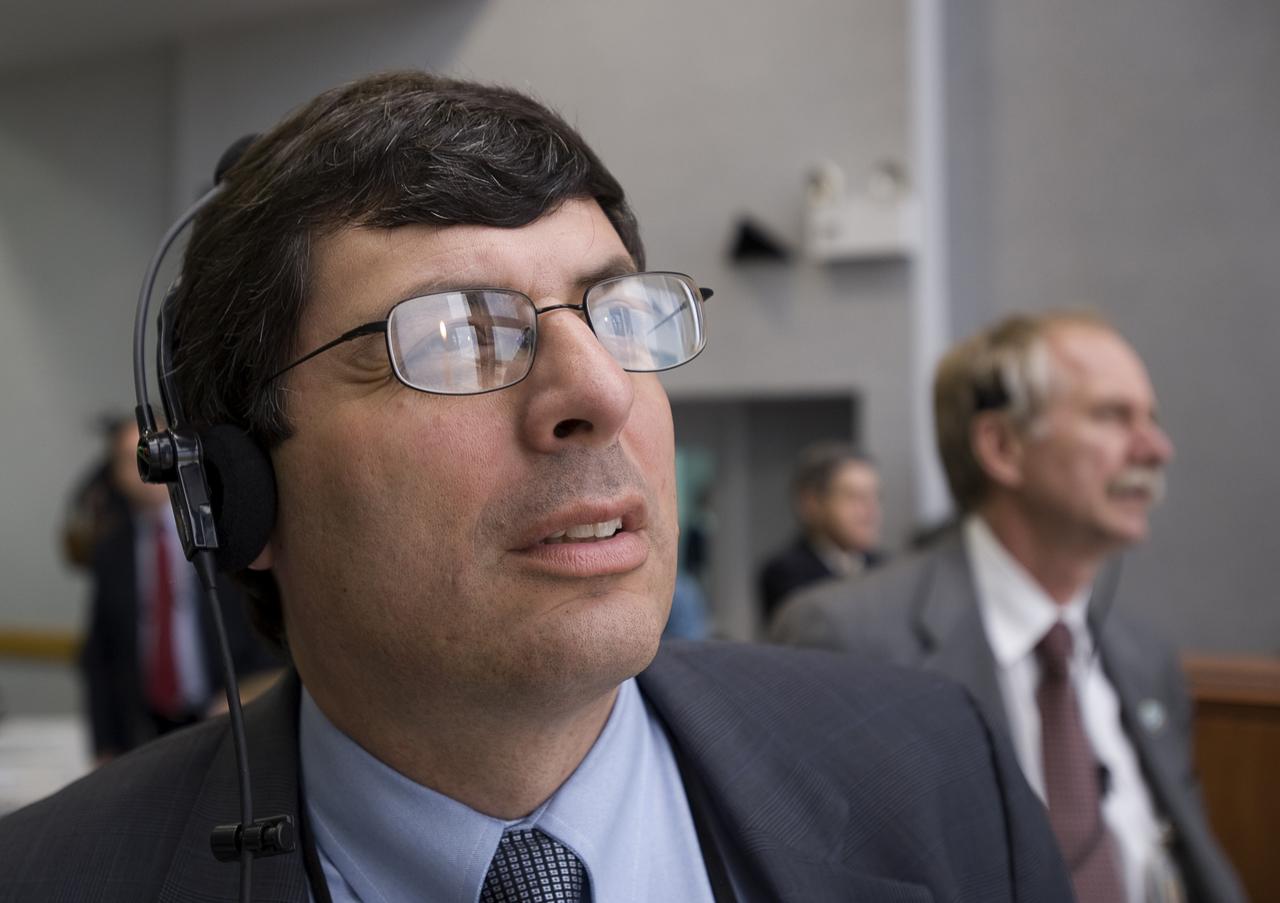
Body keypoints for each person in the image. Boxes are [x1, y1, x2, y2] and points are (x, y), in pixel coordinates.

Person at [0, 72, 1073, 902]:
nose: (598, 393)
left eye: (616, 313)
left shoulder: (934, 766)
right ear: (238, 490)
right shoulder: (51, 879)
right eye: (458, 335)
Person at [772, 312, 1245, 903]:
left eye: (1151, 419)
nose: (1156, 448)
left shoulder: (1145, 660)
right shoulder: (848, 639)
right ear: (1002, 446)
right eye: (1111, 416)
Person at [73, 419, 278, 760]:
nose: (148, 468)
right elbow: (100, 654)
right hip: (147, 725)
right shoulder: (112, 549)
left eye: (158, 452)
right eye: (132, 458)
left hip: (229, 708)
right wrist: (104, 744)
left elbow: (261, 613)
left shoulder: (219, 530)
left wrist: (253, 690)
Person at [758, 443, 883, 620]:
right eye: (854, 497)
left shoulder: (886, 568)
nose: (871, 511)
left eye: (875, 497)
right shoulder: (785, 573)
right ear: (811, 504)